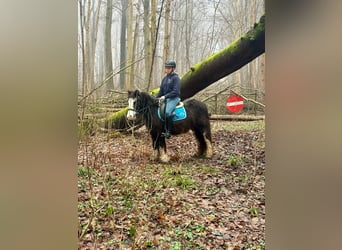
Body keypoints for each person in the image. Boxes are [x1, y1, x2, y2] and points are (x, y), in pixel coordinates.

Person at [156, 59, 181, 138]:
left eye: (169, 68)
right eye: (166, 68)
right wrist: (155, 98)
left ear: (173, 68)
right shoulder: (164, 79)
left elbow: (176, 91)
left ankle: (168, 132)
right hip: (166, 99)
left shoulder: (176, 78)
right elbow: (161, 91)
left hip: (174, 98)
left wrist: (165, 96)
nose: (167, 69)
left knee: (167, 112)